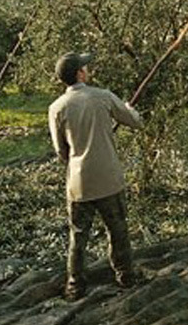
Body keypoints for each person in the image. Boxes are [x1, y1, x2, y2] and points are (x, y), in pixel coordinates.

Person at [48, 52, 142, 300]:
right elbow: (134, 122)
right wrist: (130, 110)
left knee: (78, 238)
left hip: (79, 184)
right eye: (84, 68)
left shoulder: (56, 108)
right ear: (80, 73)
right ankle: (126, 277)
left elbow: (61, 151)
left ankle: (74, 286)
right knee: (118, 231)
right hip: (109, 179)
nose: (87, 70)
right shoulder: (103, 96)